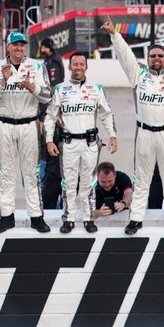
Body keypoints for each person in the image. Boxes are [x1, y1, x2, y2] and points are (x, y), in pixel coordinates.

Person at [103, 16, 164, 235]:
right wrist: (114, 34)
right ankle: (136, 219)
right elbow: (126, 55)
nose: (156, 58)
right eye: (152, 56)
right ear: (147, 58)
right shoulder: (138, 74)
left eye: (160, 55)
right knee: (141, 179)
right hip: (145, 133)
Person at [0, 31, 54, 233]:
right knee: (6, 173)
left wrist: (32, 87)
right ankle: (6, 217)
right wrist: (2, 82)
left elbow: (48, 95)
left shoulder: (37, 66)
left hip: (29, 124)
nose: (19, 48)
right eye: (15, 45)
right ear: (8, 47)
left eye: (22, 45)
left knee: (32, 173)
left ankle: (36, 217)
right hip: (5, 125)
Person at [44, 52, 118, 233]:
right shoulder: (60, 89)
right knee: (68, 184)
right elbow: (50, 116)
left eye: (81, 64)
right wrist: (49, 140)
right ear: (69, 67)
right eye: (75, 64)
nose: (78, 67)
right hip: (68, 143)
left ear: (86, 67)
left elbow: (106, 114)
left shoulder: (96, 88)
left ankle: (88, 218)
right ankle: (68, 219)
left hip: (90, 143)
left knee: (88, 183)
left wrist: (112, 136)